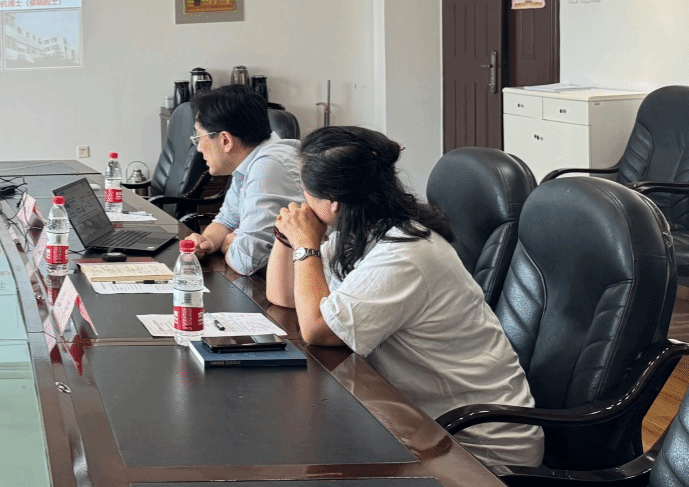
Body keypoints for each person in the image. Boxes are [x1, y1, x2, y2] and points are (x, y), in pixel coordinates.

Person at [267, 126, 543, 469]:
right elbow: (283, 297)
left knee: (301, 452)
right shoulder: (363, 231)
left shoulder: (405, 254)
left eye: (305, 191)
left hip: (477, 445)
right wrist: (288, 237)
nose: (302, 200)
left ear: (333, 203)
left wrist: (305, 245)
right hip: (420, 422)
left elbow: (318, 329)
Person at [184, 85, 302, 275]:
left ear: (225, 140)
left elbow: (246, 261)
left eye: (199, 138)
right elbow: (227, 220)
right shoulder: (251, 160)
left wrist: (227, 243)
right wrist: (207, 242)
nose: (198, 148)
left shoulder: (268, 166)